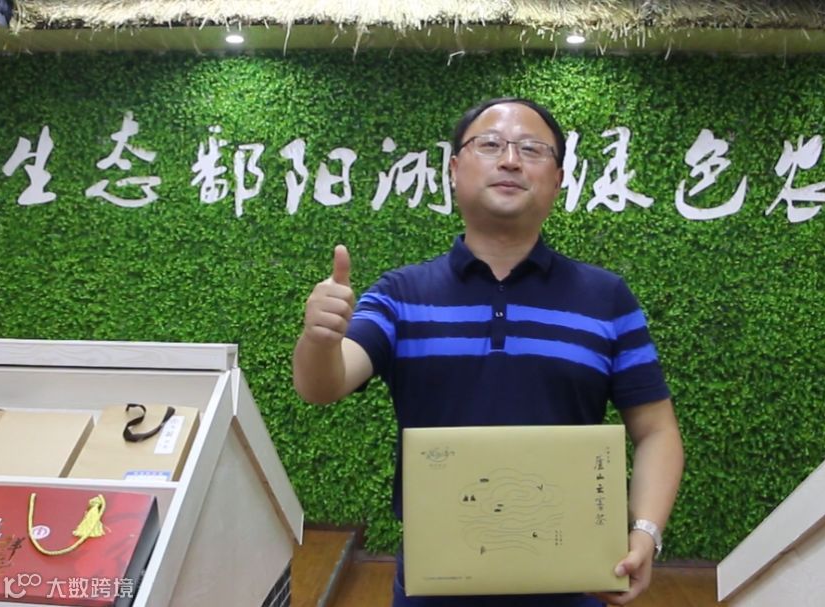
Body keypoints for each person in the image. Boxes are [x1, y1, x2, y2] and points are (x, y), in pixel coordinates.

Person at [293, 97, 684, 607]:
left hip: (571, 584)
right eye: (491, 144)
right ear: (455, 169)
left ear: (558, 180)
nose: (511, 160)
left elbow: (657, 431)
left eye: (532, 149)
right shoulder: (401, 294)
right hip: (435, 586)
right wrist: (319, 339)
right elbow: (322, 385)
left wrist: (646, 531)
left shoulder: (606, 298)